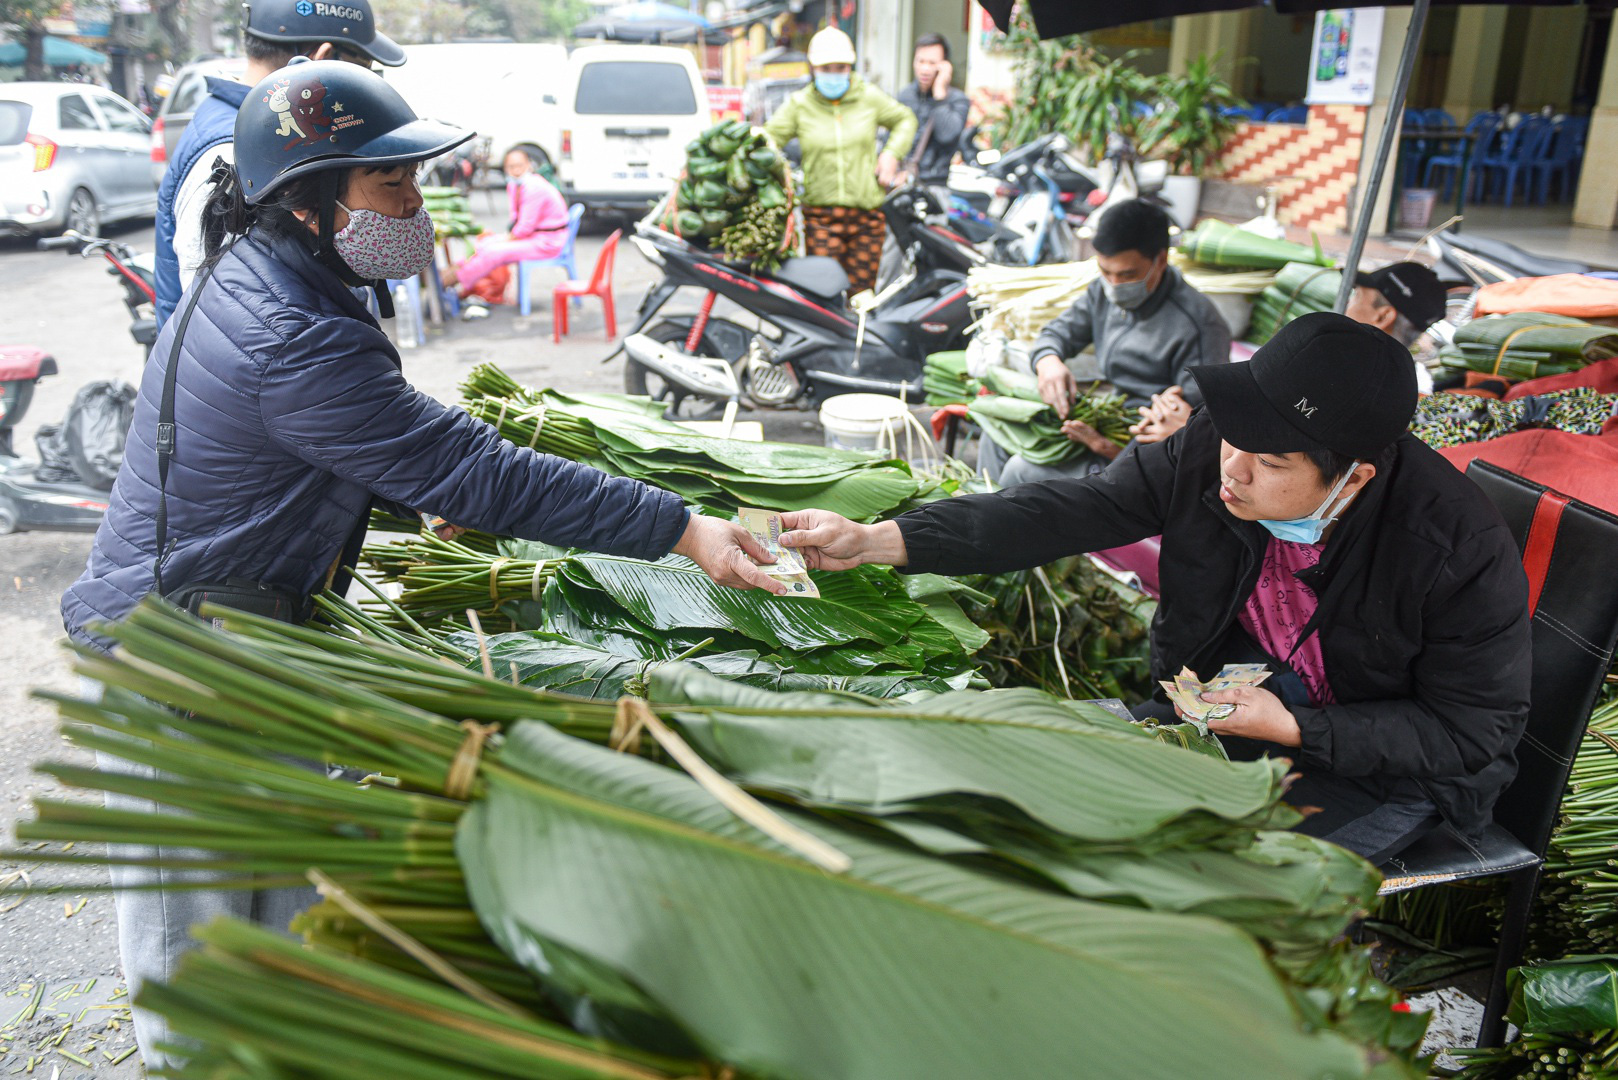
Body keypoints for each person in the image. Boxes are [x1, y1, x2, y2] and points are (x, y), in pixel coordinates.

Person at [61, 60, 786, 1068]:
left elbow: (321, 451)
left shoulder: (276, 277)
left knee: (274, 939)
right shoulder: (292, 332)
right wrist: (682, 528)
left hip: (238, 647)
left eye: (413, 184)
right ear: (309, 202)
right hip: (181, 673)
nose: (416, 207)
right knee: (196, 984)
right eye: (389, 187)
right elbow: (476, 469)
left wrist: (392, 489)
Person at [778, 312, 1531, 863]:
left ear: (1354, 477)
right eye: (1236, 439)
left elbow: (1472, 732)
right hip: (1237, 706)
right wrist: (882, 539)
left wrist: (1300, 730)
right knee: (1050, 784)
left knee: (1195, 875)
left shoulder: (1453, 549)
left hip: (1392, 768)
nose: (1232, 468)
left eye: (1270, 464)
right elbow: (1073, 509)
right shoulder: (1219, 443)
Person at [151, 0, 405, 328]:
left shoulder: (259, 131)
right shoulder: (234, 151)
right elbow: (225, 317)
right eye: (360, 71)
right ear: (322, 59)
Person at [980, 198, 1230, 485]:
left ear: (1161, 260)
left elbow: (1188, 431)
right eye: (1105, 271)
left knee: (1020, 470)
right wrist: (1048, 361)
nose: (1114, 285)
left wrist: (1103, 447)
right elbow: (1056, 333)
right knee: (995, 433)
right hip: (1107, 418)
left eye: (1127, 275)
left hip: (1136, 452)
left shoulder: (1199, 326)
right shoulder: (1102, 292)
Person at [1132, 260, 1449, 445]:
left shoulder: (1342, 383)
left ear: (1383, 316)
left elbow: (1288, 451)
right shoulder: (1402, 387)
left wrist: (1188, 435)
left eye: (1357, 296)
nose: (1348, 304)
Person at [765, 26, 916, 295]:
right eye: (826, 68)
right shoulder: (799, 105)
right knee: (826, 296)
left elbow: (905, 119)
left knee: (861, 297)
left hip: (867, 218)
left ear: (850, 67)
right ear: (813, 68)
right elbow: (768, 139)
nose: (834, 74)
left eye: (841, 68)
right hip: (820, 219)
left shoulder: (868, 96)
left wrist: (891, 154)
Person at [441, 147, 569, 308]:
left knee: (493, 251)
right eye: (511, 167)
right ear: (505, 169)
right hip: (533, 237)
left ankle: (454, 281)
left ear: (529, 165)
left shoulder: (534, 187)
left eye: (520, 165)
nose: (516, 171)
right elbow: (515, 220)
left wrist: (503, 239)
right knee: (484, 243)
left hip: (548, 242)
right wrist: (500, 239)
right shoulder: (514, 185)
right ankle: (455, 274)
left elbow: (524, 228)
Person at [895, 33, 969, 187]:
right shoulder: (905, 96)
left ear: (944, 65)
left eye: (932, 63)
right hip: (902, 183)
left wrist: (939, 95)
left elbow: (947, 135)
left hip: (935, 185)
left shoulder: (957, 100)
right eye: (920, 61)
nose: (925, 69)